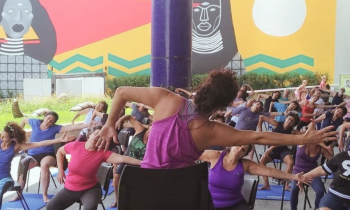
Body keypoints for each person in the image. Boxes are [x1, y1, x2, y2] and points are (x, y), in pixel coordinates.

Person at [96, 69, 338, 170]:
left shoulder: (164, 98)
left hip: (143, 189)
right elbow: (260, 136)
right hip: (180, 196)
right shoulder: (212, 131)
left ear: (203, 86)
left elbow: (121, 92)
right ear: (223, 105)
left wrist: (109, 124)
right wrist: (304, 138)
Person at [46, 126, 141, 210]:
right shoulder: (75, 146)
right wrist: (60, 169)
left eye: (100, 137)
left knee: (90, 208)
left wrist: (144, 163)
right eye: (95, 134)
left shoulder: (103, 153)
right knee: (51, 206)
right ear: (89, 135)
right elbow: (60, 151)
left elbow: (123, 158)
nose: (97, 137)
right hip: (69, 189)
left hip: (90, 189)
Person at [199, 145, 311, 210]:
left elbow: (269, 171)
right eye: (238, 145)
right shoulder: (215, 155)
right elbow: (189, 153)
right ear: (232, 145)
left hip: (235, 205)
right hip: (210, 205)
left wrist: (294, 176)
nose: (239, 149)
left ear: (245, 154)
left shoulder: (245, 164)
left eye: (243, 149)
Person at [16, 111, 88, 202]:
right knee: (22, 166)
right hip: (32, 155)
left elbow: (71, 127)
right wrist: (19, 134)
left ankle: (45, 195)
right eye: (48, 118)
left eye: (52, 121)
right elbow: (23, 120)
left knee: (45, 165)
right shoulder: (35, 122)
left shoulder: (54, 128)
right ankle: (18, 193)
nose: (49, 121)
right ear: (45, 116)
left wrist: (87, 124)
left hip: (47, 154)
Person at [0, 122, 75, 209]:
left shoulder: (16, 146)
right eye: (1, 135)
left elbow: (39, 144)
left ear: (12, 138)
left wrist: (58, 140)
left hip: (5, 179)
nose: (1, 138)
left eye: (4, 137)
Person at [110, 115, 151, 208]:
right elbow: (129, 117)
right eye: (150, 131)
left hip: (138, 165)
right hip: (126, 160)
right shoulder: (140, 129)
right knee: (116, 179)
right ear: (148, 128)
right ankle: (117, 199)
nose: (150, 134)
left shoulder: (154, 142)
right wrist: (120, 120)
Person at [258, 111, 301, 191]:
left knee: (290, 162)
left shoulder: (292, 131)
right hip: (273, 151)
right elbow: (261, 117)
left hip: (283, 151)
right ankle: (266, 184)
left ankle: (286, 185)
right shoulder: (277, 124)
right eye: (289, 119)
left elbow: (303, 135)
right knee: (262, 161)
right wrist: (260, 132)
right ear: (286, 118)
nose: (289, 121)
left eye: (292, 121)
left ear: (293, 124)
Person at [290, 141, 333, 210]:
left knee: (320, 191)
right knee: (294, 189)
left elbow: (332, 160)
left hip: (312, 173)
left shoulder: (321, 148)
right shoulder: (303, 142)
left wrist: (330, 149)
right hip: (298, 172)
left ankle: (317, 208)